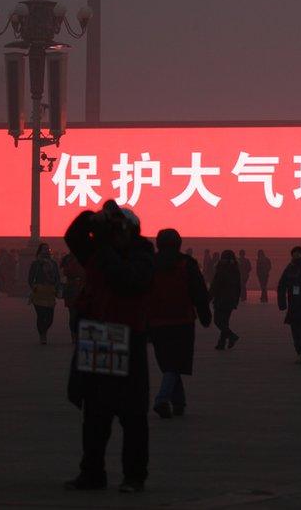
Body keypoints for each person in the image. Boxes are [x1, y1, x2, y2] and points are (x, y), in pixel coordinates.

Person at [64, 200, 154, 493]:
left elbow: (127, 281)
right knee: (95, 414)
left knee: (133, 415)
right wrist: (92, 218)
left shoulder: (142, 255)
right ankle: (92, 473)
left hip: (129, 337)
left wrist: (105, 246)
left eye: (119, 229)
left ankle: (134, 476)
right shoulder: (99, 252)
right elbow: (73, 237)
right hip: (99, 335)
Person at [148, 229, 211, 419]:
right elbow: (199, 292)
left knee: (168, 362)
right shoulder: (187, 264)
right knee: (175, 363)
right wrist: (205, 315)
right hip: (182, 321)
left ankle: (179, 403)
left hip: (156, 321)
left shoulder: (150, 264)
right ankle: (162, 399)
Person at [28, 243, 61, 344]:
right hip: (39, 292)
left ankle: (44, 331)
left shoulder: (53, 264)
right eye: (44, 249)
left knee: (50, 317)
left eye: (47, 249)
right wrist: (33, 287)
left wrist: (57, 288)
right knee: (41, 315)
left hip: (50, 292)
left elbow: (57, 277)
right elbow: (30, 278)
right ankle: (42, 335)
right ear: (40, 250)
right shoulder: (36, 264)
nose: (46, 251)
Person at [210, 250, 242, 350]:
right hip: (231, 300)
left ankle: (232, 336)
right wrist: (236, 299)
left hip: (221, 299)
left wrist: (208, 297)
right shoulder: (235, 269)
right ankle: (221, 343)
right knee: (225, 321)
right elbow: (238, 286)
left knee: (218, 321)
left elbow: (215, 286)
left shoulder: (221, 269)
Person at [61, 252, 86, 343]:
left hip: (83, 288)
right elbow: (65, 272)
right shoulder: (68, 259)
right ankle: (74, 333)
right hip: (72, 289)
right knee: (73, 314)